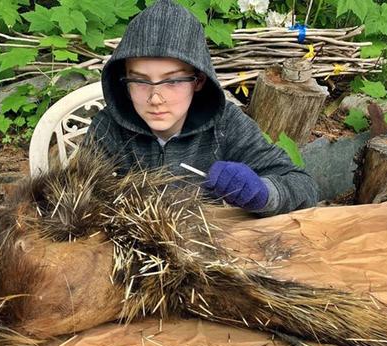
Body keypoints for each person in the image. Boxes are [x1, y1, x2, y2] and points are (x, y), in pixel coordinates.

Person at [85, 0, 319, 216]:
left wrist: (263, 194)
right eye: (140, 80)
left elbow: (303, 185)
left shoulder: (226, 125)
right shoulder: (109, 128)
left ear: (198, 81)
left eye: (173, 81)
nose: (156, 98)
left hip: (208, 247)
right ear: (124, 80)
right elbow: (75, 192)